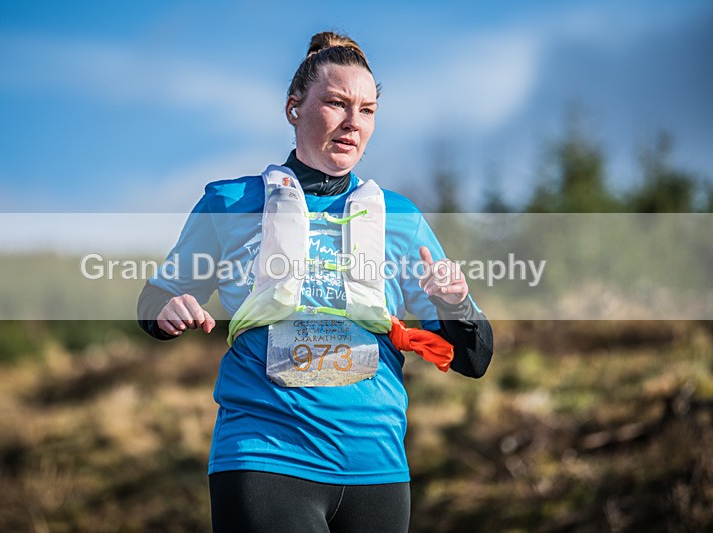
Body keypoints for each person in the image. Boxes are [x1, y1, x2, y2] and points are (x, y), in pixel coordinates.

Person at [138, 31, 493, 533]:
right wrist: (169, 308)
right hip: (265, 457)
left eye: (367, 110)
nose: (353, 123)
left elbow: (474, 358)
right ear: (293, 108)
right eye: (336, 103)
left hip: (378, 468)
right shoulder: (231, 203)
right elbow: (155, 298)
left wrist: (454, 301)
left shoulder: (401, 219)